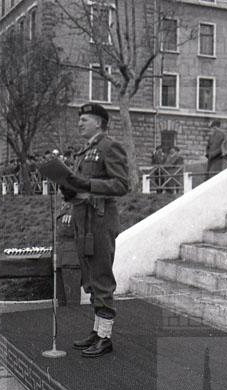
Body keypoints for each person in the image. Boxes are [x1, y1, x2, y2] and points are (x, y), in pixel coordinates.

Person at [59, 103, 129, 358]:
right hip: (83, 220)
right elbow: (81, 186)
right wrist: (69, 187)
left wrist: (87, 184)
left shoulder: (109, 147)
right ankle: (98, 330)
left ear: (99, 122)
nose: (79, 123)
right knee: (90, 277)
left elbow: (121, 184)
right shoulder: (85, 150)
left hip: (100, 221)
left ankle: (105, 336)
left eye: (85, 119)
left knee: (101, 277)